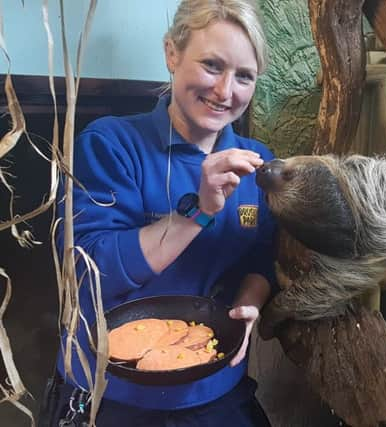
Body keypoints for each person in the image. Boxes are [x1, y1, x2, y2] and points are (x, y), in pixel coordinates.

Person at [44, 1, 277, 425]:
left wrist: (249, 304)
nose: (226, 91)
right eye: (211, 65)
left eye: (244, 76)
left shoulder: (258, 161)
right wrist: (198, 213)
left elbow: (262, 258)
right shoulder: (111, 144)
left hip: (213, 384)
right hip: (109, 391)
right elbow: (89, 275)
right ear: (172, 53)